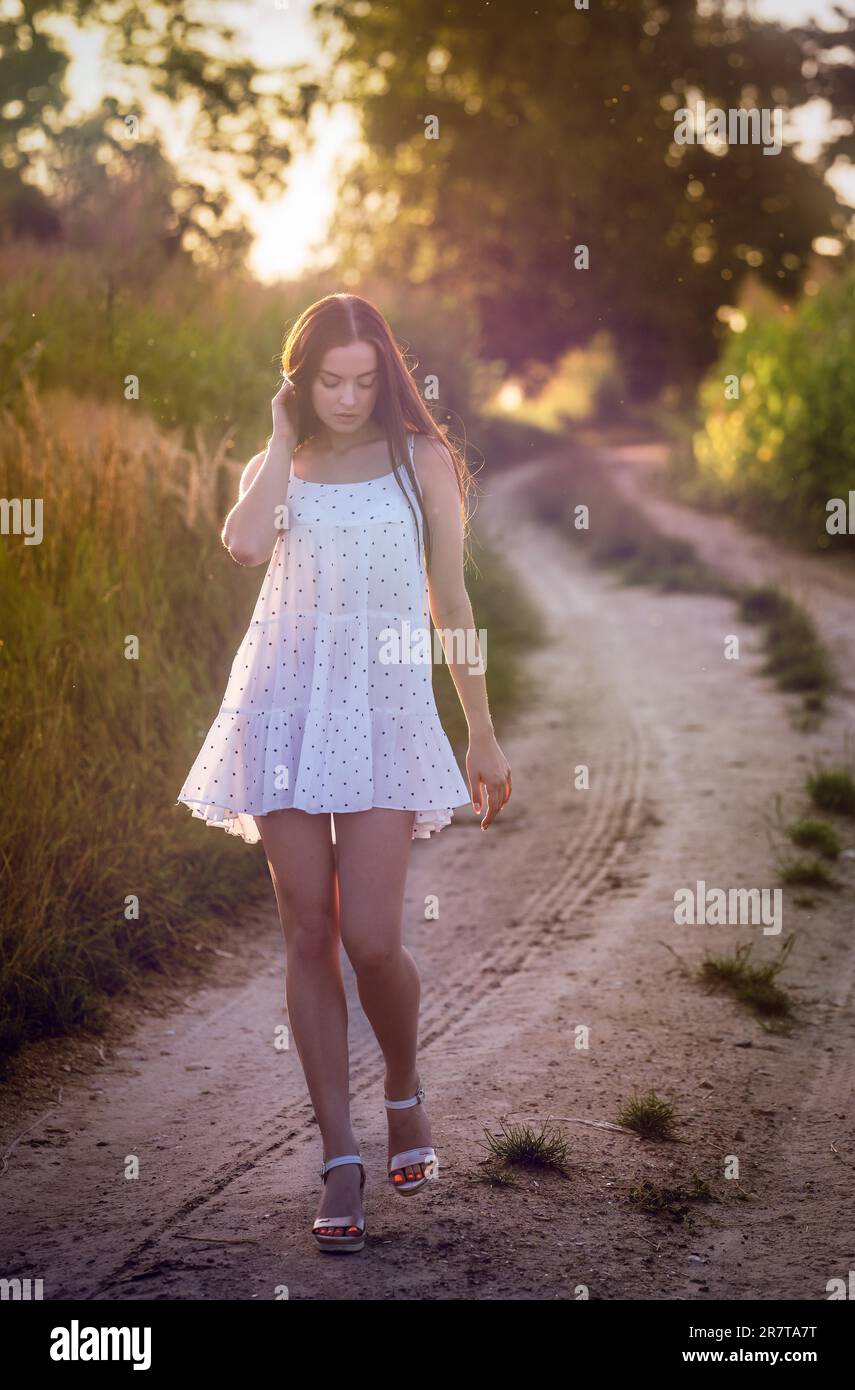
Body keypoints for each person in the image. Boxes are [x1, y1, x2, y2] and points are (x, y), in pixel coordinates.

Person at [176, 292, 511, 1252]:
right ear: (300, 377)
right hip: (280, 704)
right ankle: (338, 1153)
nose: (349, 397)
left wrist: (479, 730)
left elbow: (452, 600)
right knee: (306, 931)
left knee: (369, 939)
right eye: (329, 380)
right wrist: (281, 439)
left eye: (366, 380)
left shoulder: (424, 465)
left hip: (381, 707)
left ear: (387, 375)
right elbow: (242, 543)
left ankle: (404, 1092)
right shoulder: (276, 466)